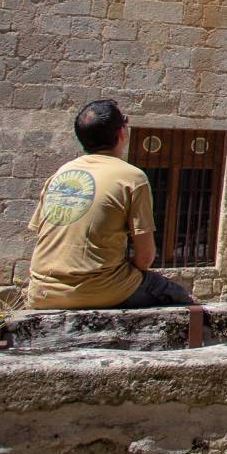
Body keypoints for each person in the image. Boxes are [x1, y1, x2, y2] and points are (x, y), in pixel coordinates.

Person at [26, 99, 194, 310]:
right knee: (182, 301)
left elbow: (43, 233)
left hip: (42, 292)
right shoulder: (132, 177)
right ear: (121, 132)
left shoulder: (60, 174)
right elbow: (145, 257)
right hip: (99, 289)